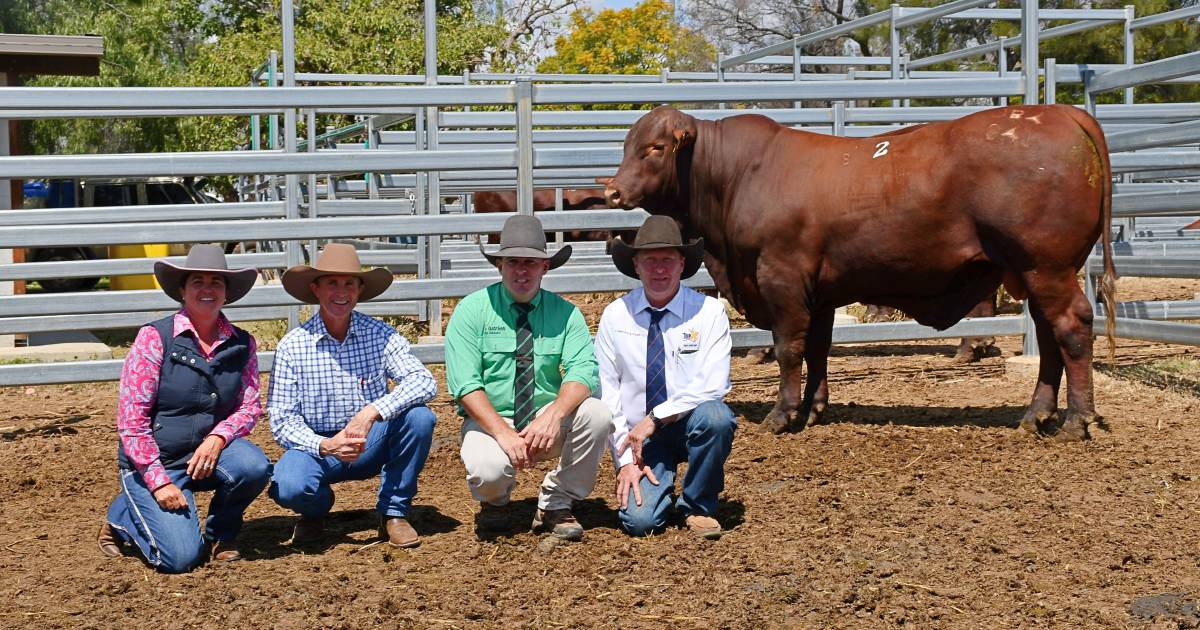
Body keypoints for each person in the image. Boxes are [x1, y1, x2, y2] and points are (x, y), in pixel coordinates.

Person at [98, 244, 271, 572]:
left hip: (207, 453)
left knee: (253, 466)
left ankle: (222, 534)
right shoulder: (154, 338)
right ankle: (122, 517)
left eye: (216, 283)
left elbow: (249, 407)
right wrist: (158, 480)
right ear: (182, 290)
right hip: (155, 458)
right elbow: (131, 420)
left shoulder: (242, 342)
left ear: (226, 292)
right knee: (179, 559)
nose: (207, 289)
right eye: (198, 282)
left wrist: (218, 438)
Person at [445, 215, 612, 541]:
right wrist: (503, 433)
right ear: (499, 265)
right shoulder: (471, 311)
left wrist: (553, 416)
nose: (522, 270)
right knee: (487, 470)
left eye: (531, 263)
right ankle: (495, 502)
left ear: (545, 267)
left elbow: (583, 372)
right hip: (490, 422)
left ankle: (557, 501)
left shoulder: (566, 313)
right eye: (513, 262)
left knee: (598, 414)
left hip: (544, 422)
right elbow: (465, 384)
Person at [267, 244, 437, 549]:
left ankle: (393, 512)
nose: (341, 292)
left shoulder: (381, 334)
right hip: (317, 447)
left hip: (370, 438)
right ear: (315, 289)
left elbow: (423, 381)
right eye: (332, 283)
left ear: (359, 290)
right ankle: (314, 509)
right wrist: (326, 444)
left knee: (420, 417)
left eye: (349, 283)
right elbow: (282, 421)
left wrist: (372, 411)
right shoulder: (293, 346)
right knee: (289, 485)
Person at [594, 216, 737, 539]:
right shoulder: (616, 315)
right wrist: (626, 461)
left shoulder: (708, 312)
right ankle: (657, 487)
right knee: (639, 523)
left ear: (682, 263)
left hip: (689, 424)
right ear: (636, 265)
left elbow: (715, 384)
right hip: (640, 440)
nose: (660, 269)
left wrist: (656, 418)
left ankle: (698, 505)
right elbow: (608, 392)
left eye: (668, 260)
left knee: (716, 417)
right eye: (650, 260)